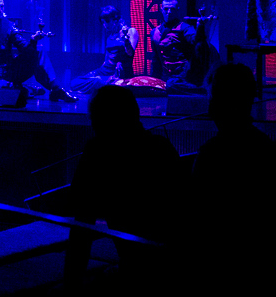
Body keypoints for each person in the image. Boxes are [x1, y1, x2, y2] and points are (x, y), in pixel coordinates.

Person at [64, 85, 185, 292]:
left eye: (93, 119)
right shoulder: (161, 147)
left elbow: (82, 226)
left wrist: (71, 284)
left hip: (136, 268)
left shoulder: (98, 152)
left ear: (99, 120)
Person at [191, 63, 276, 292]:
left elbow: (198, 216)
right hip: (265, 260)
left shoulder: (213, 154)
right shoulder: (263, 145)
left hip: (224, 265)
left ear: (221, 103)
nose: (209, 107)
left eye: (212, 99)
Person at [0, 0, 77, 102]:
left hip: (6, 72)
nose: (1, 10)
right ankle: (25, 89)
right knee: (10, 91)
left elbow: (24, 48)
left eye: (2, 6)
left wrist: (33, 40)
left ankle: (56, 89)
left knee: (38, 53)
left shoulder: (8, 26)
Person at [151, 0, 213, 94]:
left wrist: (200, 26)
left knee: (171, 85)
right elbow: (156, 60)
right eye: (166, 9)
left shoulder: (185, 28)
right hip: (166, 77)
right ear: (161, 10)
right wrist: (153, 81)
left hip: (183, 76)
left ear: (177, 10)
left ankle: (202, 91)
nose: (169, 12)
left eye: (172, 9)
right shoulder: (155, 32)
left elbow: (197, 42)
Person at [70, 6, 139, 94]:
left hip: (119, 74)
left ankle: (103, 85)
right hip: (104, 71)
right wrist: (97, 73)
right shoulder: (110, 37)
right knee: (75, 82)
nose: (105, 25)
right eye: (103, 22)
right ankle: (100, 84)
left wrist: (125, 40)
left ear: (115, 20)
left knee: (97, 81)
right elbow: (106, 59)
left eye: (107, 21)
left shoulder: (131, 31)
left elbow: (130, 53)